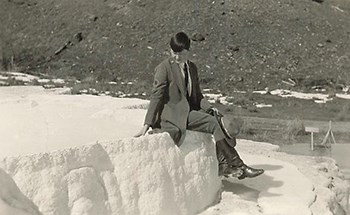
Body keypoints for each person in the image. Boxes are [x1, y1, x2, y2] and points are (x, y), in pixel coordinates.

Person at [135, 32, 264, 179]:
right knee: (212, 123)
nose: (177, 57)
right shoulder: (164, 68)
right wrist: (147, 123)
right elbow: (156, 96)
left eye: (181, 54)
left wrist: (209, 108)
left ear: (188, 51)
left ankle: (224, 165)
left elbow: (198, 96)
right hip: (172, 115)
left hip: (188, 111)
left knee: (216, 118)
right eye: (174, 53)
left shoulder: (192, 68)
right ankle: (236, 164)